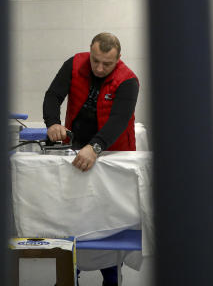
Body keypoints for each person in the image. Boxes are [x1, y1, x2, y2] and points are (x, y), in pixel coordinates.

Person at [42, 33, 139, 285]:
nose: (99, 68)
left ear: (118, 60)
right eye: (95, 60)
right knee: (72, 214)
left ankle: (110, 275)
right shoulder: (74, 64)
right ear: (90, 52)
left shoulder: (128, 80)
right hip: (75, 148)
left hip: (114, 154)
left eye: (106, 64)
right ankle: (69, 272)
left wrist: (95, 147)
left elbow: (119, 120)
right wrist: (52, 122)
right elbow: (53, 96)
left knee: (108, 218)